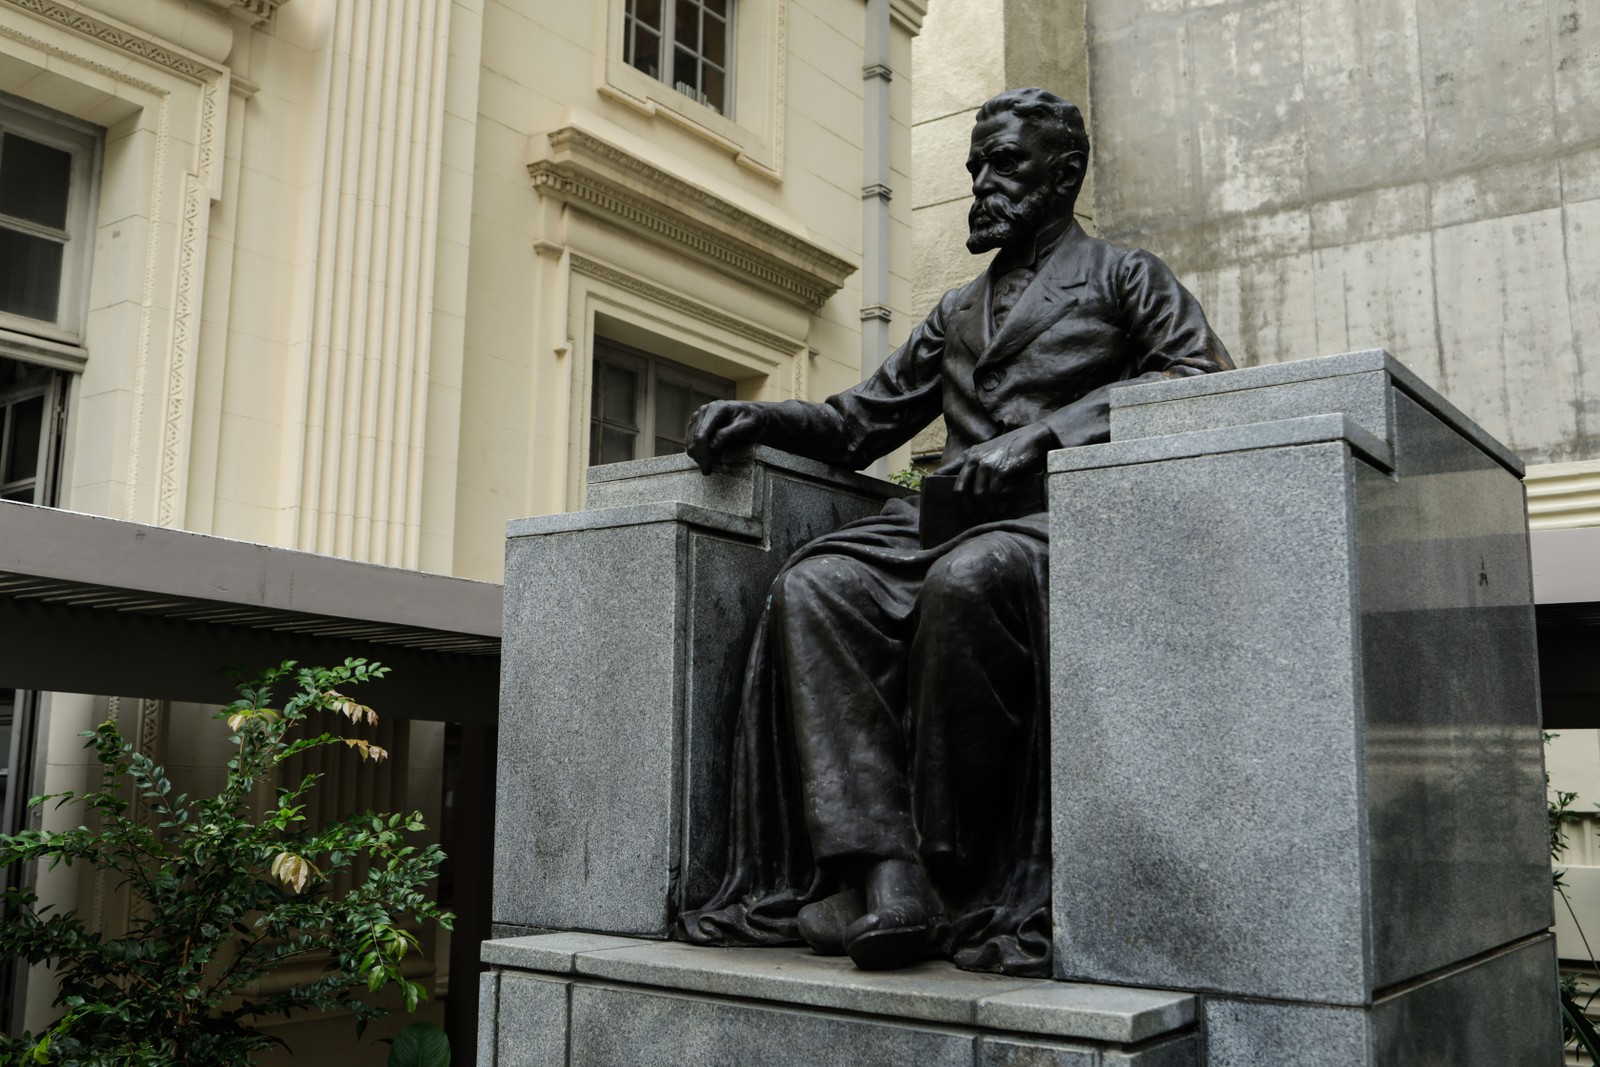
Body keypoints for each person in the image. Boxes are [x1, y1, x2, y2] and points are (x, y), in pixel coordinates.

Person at [678, 88, 1233, 975]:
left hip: (1055, 525)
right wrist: (766, 419)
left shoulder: (1127, 277)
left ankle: (954, 873)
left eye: (1005, 163)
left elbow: (1197, 378)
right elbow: (862, 422)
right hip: (939, 523)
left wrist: (1037, 439)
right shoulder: (956, 309)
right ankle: (888, 868)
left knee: (970, 579)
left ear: (1064, 174)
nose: (983, 182)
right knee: (813, 584)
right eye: (976, 165)